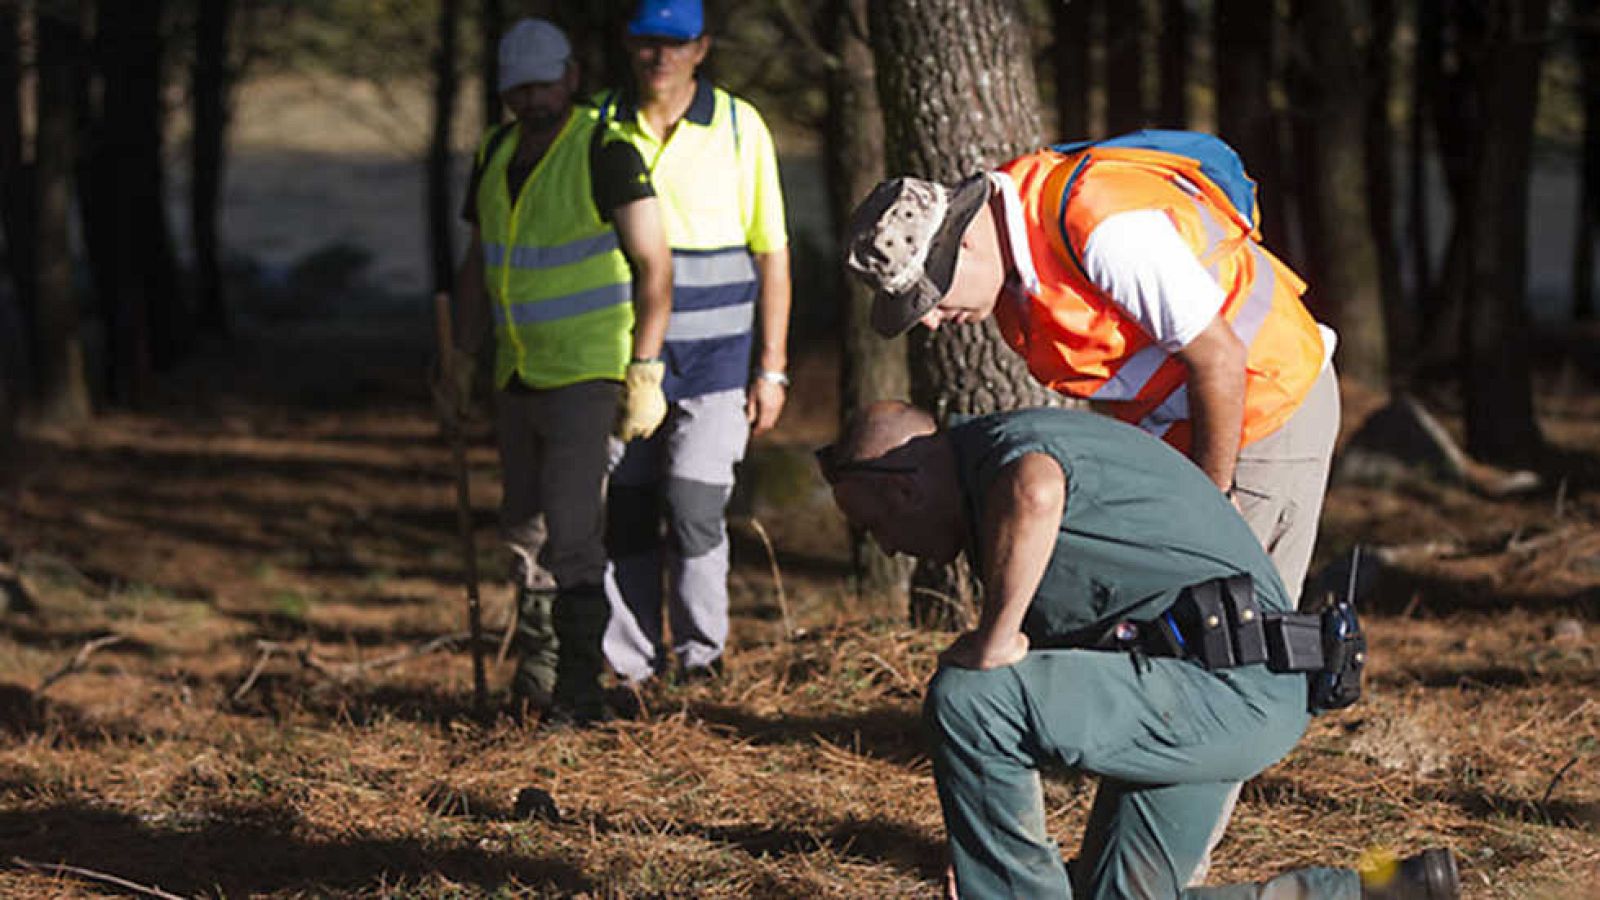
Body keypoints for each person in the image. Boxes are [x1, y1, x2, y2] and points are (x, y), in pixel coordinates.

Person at [844, 144, 1342, 879]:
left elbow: (1219, 360)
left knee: (1226, 649)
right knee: (1169, 657)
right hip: (1189, 432)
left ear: (968, 238)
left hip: (1263, 414)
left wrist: (1205, 513)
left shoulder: (1100, 223)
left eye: (933, 293)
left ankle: (1175, 871)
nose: (931, 322)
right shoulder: (1016, 283)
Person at [819, 400, 1459, 900]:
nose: (885, 547)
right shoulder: (990, 466)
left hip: (1226, 686)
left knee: (970, 698)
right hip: (1231, 686)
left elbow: (1036, 489)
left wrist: (996, 637)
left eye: (874, 526)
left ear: (904, 489)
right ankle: (1382, 891)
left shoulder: (1001, 453)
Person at [437, 18, 672, 723]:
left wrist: (644, 369)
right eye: (518, 90)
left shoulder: (607, 151)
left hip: (586, 373)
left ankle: (578, 691)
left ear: (570, 79)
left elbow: (654, 266)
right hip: (515, 372)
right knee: (523, 528)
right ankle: (536, 677)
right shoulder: (495, 151)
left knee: (572, 531)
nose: (531, 101)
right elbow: (479, 266)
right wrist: (458, 361)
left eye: (543, 85)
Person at [596, 0, 793, 684]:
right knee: (625, 512)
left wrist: (773, 369)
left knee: (693, 507)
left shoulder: (740, 126)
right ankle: (630, 668)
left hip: (718, 363)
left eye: (675, 43)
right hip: (621, 360)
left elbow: (772, 254)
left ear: (702, 47)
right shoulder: (594, 124)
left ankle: (702, 659)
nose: (660, 56)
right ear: (629, 41)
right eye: (649, 41)